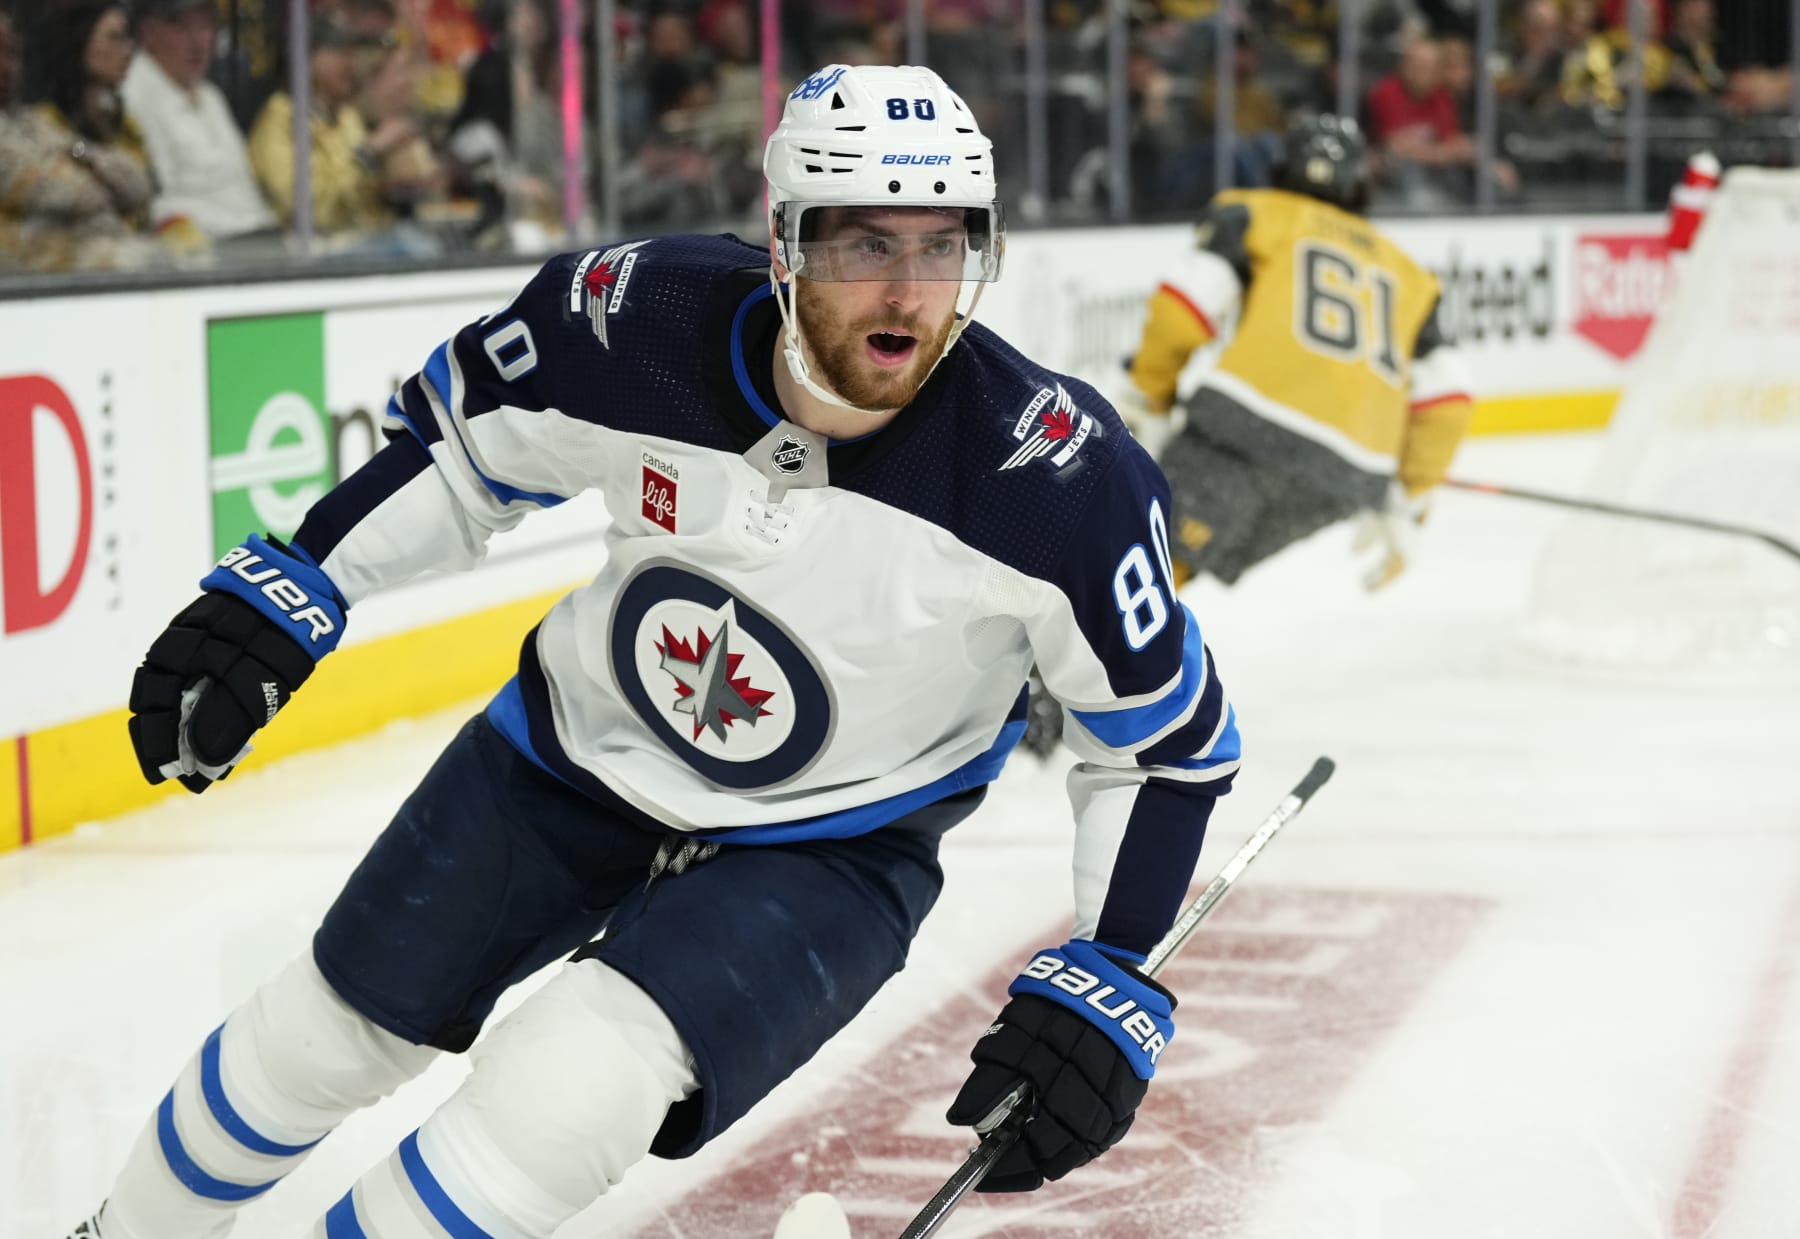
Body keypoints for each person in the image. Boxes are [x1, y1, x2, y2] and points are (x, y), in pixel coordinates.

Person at [67, 63, 1240, 1239]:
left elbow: (1163, 747)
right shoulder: (633, 321)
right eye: (862, 245)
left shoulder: (1056, 481)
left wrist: (1116, 967)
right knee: (322, 1038)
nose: (906, 291)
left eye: (944, 248)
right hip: (568, 754)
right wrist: (303, 581)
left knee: (560, 1097)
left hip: (833, 846)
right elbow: (466, 452)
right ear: (783, 240)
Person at [120, 0, 278, 249]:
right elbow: (156, 205)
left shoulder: (211, 96)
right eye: (183, 29)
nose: (198, 43)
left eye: (205, 27)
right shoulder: (133, 96)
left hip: (258, 237)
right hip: (202, 254)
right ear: (148, 32)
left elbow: (243, 183)